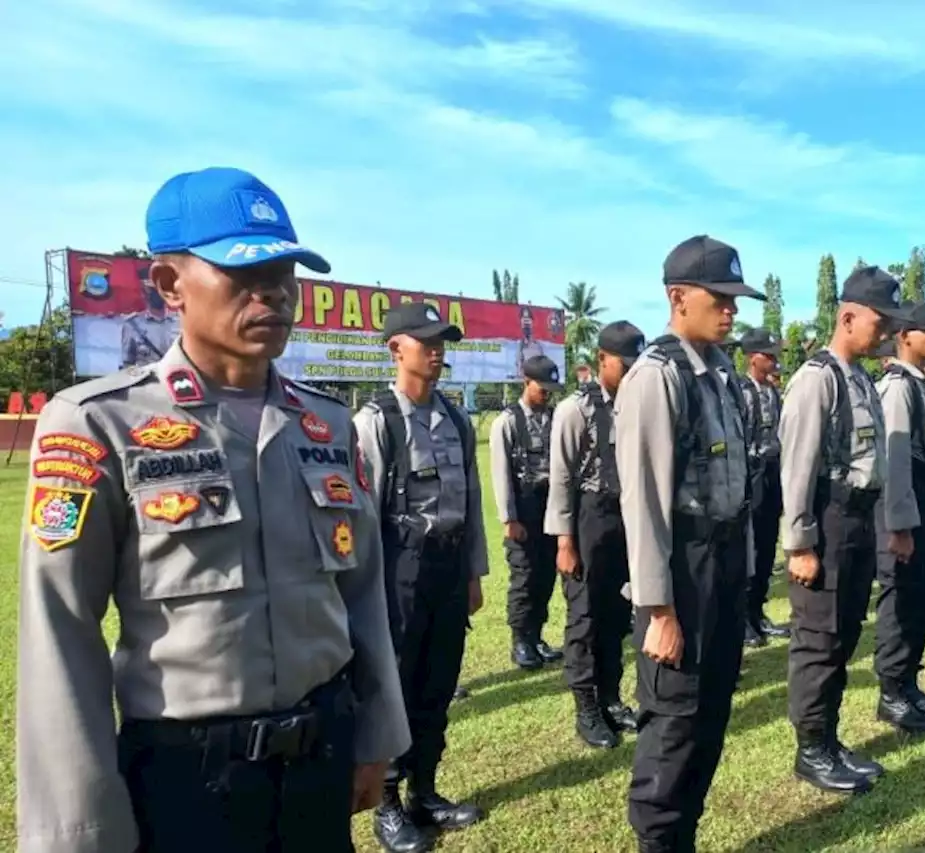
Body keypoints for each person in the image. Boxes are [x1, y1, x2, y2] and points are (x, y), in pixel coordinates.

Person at [17, 167, 409, 853]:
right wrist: (77, 828)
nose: (275, 293)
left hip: (320, 762)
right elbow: (61, 632)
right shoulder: (96, 422)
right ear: (170, 285)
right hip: (187, 781)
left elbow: (362, 593)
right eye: (242, 272)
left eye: (285, 271)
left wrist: (376, 735)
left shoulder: (326, 423)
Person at [615, 234, 758, 853]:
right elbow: (644, 505)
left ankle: (682, 840)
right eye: (719, 297)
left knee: (710, 716)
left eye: (736, 299)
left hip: (722, 564)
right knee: (674, 723)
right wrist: (659, 610)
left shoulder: (721, 376)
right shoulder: (656, 377)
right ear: (677, 297)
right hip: (682, 571)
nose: (731, 310)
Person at [356, 301, 490, 849]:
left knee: (438, 681)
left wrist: (475, 572)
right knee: (398, 686)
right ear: (396, 348)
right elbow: (363, 517)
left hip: (448, 566)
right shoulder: (377, 421)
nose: (437, 350)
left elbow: (473, 501)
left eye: (443, 342)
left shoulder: (456, 417)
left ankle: (425, 792)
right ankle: (387, 803)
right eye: (426, 340)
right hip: (399, 569)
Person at [780, 267, 910, 790]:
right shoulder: (817, 379)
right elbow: (797, 468)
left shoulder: (859, 378)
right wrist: (801, 543)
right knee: (818, 638)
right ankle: (811, 749)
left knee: (845, 632)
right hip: (828, 521)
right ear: (848, 316)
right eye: (880, 321)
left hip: (858, 519)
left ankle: (828, 739)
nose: (886, 333)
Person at [545, 321, 647, 749]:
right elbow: (561, 479)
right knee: (584, 618)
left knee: (615, 616)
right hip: (589, 519)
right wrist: (564, 541)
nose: (630, 373)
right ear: (602, 359)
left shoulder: (636, 404)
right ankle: (587, 708)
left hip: (625, 520)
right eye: (624, 365)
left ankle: (610, 697)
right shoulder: (575, 409)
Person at [873, 300, 925, 734]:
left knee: (920, 595)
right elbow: (895, 462)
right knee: (900, 599)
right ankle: (891, 691)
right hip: (904, 508)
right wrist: (900, 525)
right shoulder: (896, 388)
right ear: (905, 336)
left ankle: (909, 682)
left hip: (922, 499)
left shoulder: (920, 384)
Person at [491, 356, 566, 670]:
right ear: (526, 382)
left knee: (546, 576)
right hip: (524, 508)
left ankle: (536, 635)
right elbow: (500, 473)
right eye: (541, 388)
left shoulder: (554, 417)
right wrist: (509, 518)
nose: (546, 394)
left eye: (551, 389)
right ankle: (520, 639)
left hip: (550, 508)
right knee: (524, 577)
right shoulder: (506, 422)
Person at [738, 328, 790, 647]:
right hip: (750, 472)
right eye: (768, 355)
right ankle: (743, 618)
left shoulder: (772, 391)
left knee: (769, 544)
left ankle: (757, 611)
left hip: (772, 471)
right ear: (752, 357)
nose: (773, 361)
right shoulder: (741, 390)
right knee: (751, 546)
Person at [119, 271, 178, 368]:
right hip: (147, 379)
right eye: (152, 291)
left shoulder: (179, 322)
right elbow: (127, 362)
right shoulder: (132, 324)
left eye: (159, 292)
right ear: (144, 294)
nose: (157, 295)